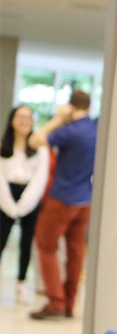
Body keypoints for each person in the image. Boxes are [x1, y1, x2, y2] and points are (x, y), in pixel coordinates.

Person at [27, 90, 98, 320]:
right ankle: (69, 302)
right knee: (76, 251)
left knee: (46, 246)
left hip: (63, 198)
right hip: (85, 200)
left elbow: (34, 140)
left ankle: (55, 300)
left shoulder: (69, 131)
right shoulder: (95, 129)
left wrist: (58, 119)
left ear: (70, 106)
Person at [0, 106, 49, 303]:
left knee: (26, 242)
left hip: (30, 196)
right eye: (20, 117)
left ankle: (21, 284)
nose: (24, 121)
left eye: (29, 117)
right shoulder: (4, 146)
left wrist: (25, 204)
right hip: (5, 196)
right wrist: (9, 205)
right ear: (12, 120)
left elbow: (40, 177)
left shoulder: (40, 148)